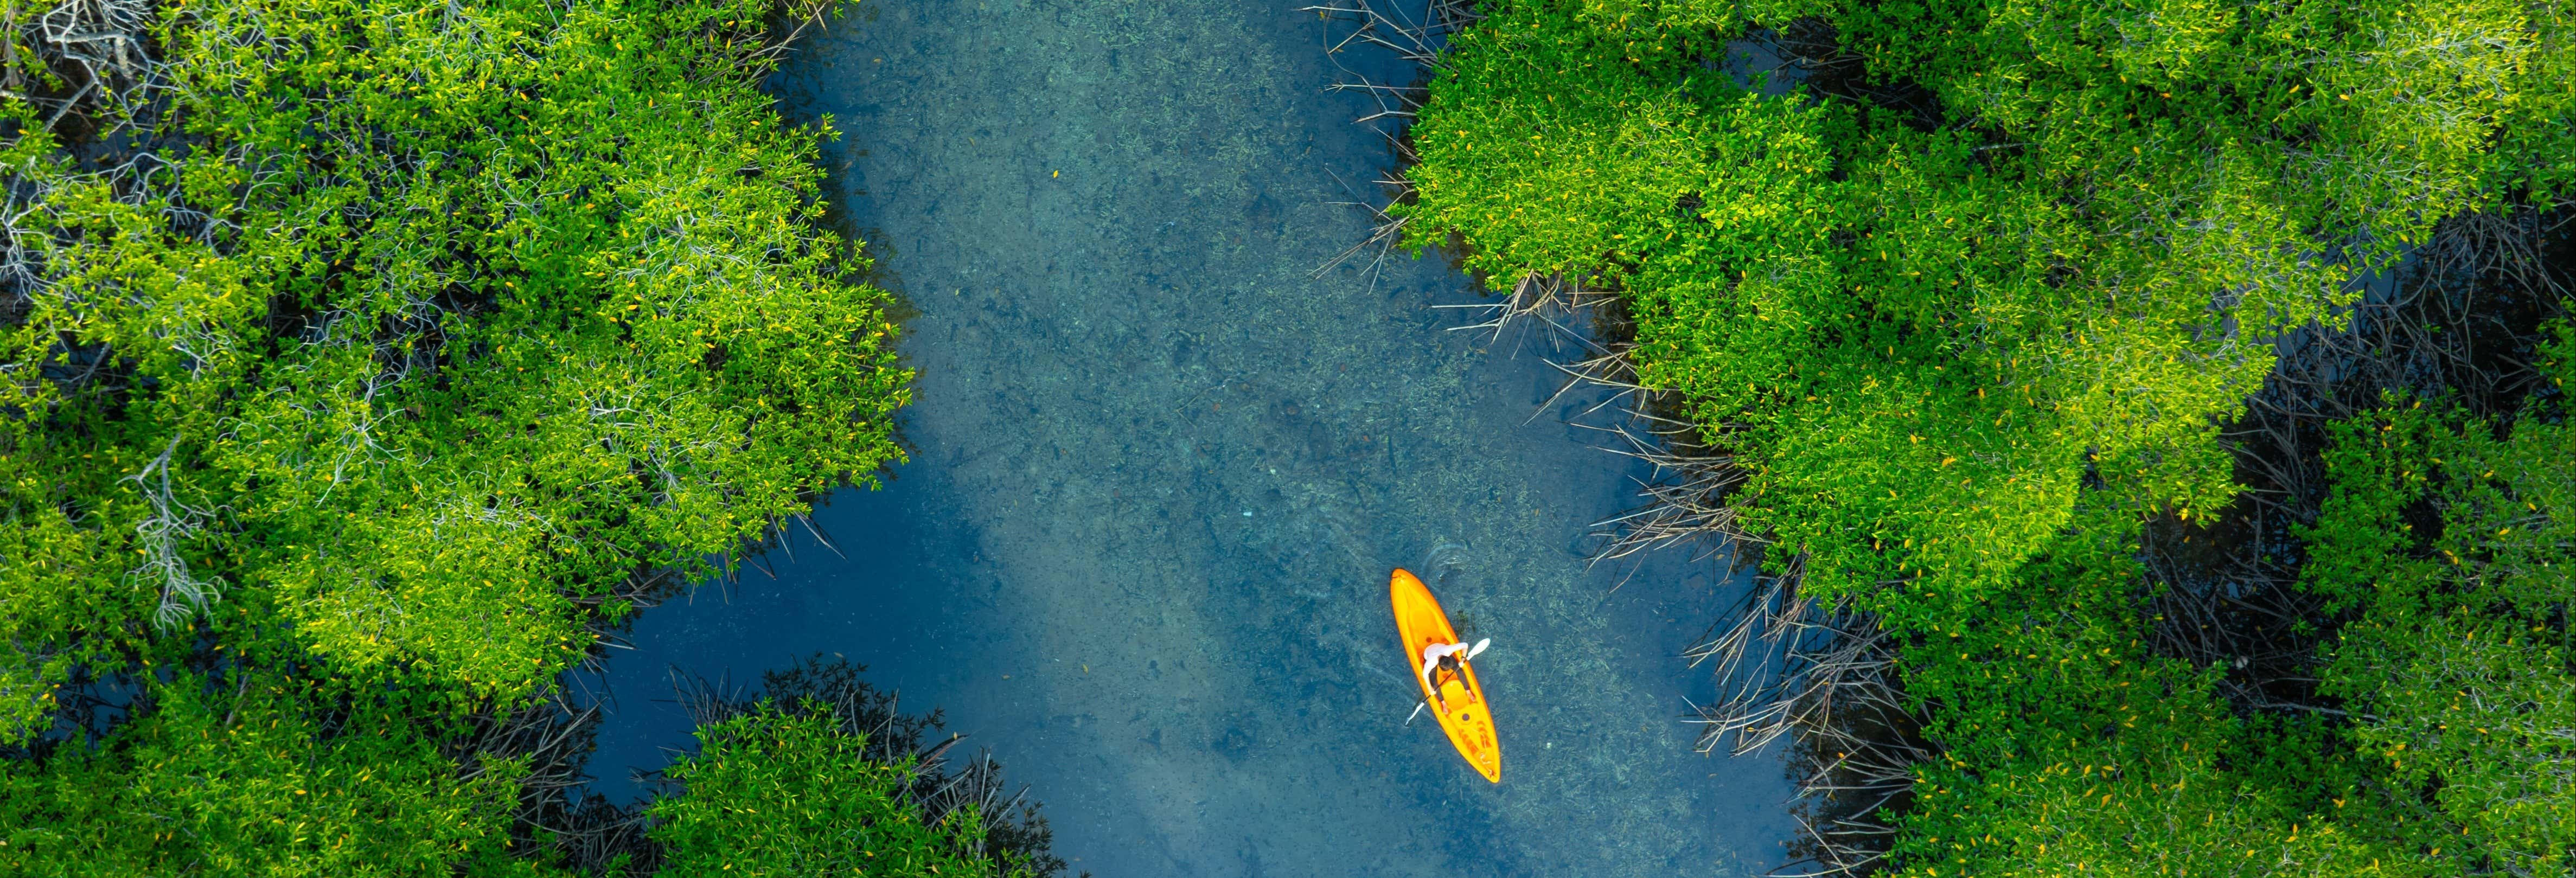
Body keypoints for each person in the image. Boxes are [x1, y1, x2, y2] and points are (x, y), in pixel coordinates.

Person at [1419, 638, 1490, 709]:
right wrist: (1430, 689)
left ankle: (1468, 690)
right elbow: (1425, 675)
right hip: (1428, 654)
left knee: (1460, 671)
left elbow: (1465, 645)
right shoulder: (1431, 663)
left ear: (1449, 657)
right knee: (1434, 685)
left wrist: (1463, 659)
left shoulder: (1448, 650)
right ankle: (1443, 702)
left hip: (1441, 650)